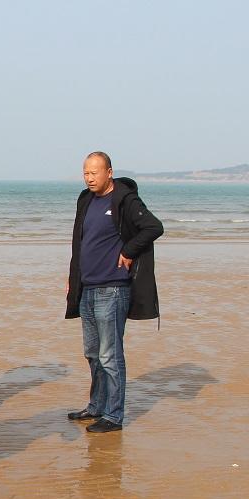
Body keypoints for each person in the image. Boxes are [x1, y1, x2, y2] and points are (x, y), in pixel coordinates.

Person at [64, 152, 164, 433]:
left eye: (94, 172)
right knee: (92, 353)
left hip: (113, 288)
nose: (89, 178)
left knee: (110, 355)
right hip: (87, 287)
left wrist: (129, 251)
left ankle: (113, 415)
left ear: (109, 172)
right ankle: (96, 406)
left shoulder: (125, 199)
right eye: (85, 173)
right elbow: (80, 241)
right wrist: (73, 276)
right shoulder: (85, 199)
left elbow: (154, 227)